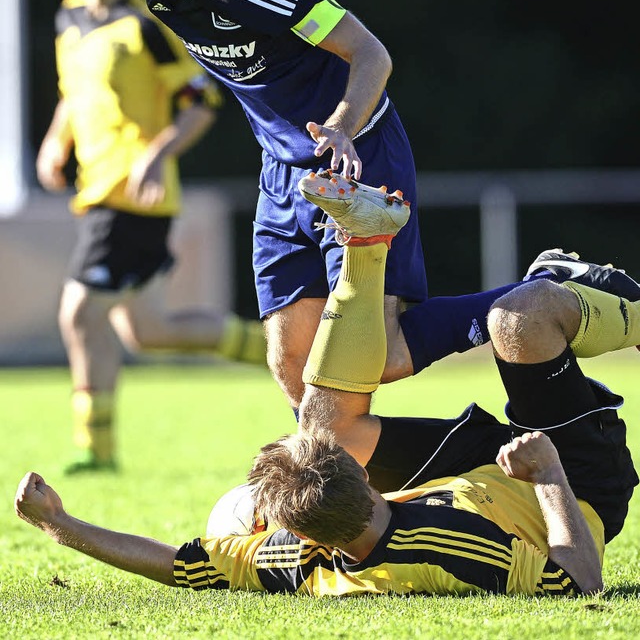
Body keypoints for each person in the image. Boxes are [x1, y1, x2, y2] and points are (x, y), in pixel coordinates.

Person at [0, 0, 562, 412]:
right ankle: (342, 493)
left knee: (379, 355)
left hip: (355, 160)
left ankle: (541, 297)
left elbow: (371, 54)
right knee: (290, 359)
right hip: (281, 171)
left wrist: (342, 126)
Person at [15, 174, 639, 596]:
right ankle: (596, 301)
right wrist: (551, 472)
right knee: (518, 319)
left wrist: (59, 524)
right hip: (571, 481)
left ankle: (366, 243)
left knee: (322, 426)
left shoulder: (297, 558)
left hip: (471, 472)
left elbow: (175, 565)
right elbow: (579, 581)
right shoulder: (453, 549)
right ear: (369, 482)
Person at [36, 0, 265, 474]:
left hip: (134, 198)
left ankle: (94, 447)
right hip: (96, 194)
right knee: (149, 331)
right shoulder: (68, 15)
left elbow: (201, 103)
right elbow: (71, 93)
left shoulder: (146, 27)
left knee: (78, 314)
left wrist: (156, 156)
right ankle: (282, 353)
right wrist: (58, 140)